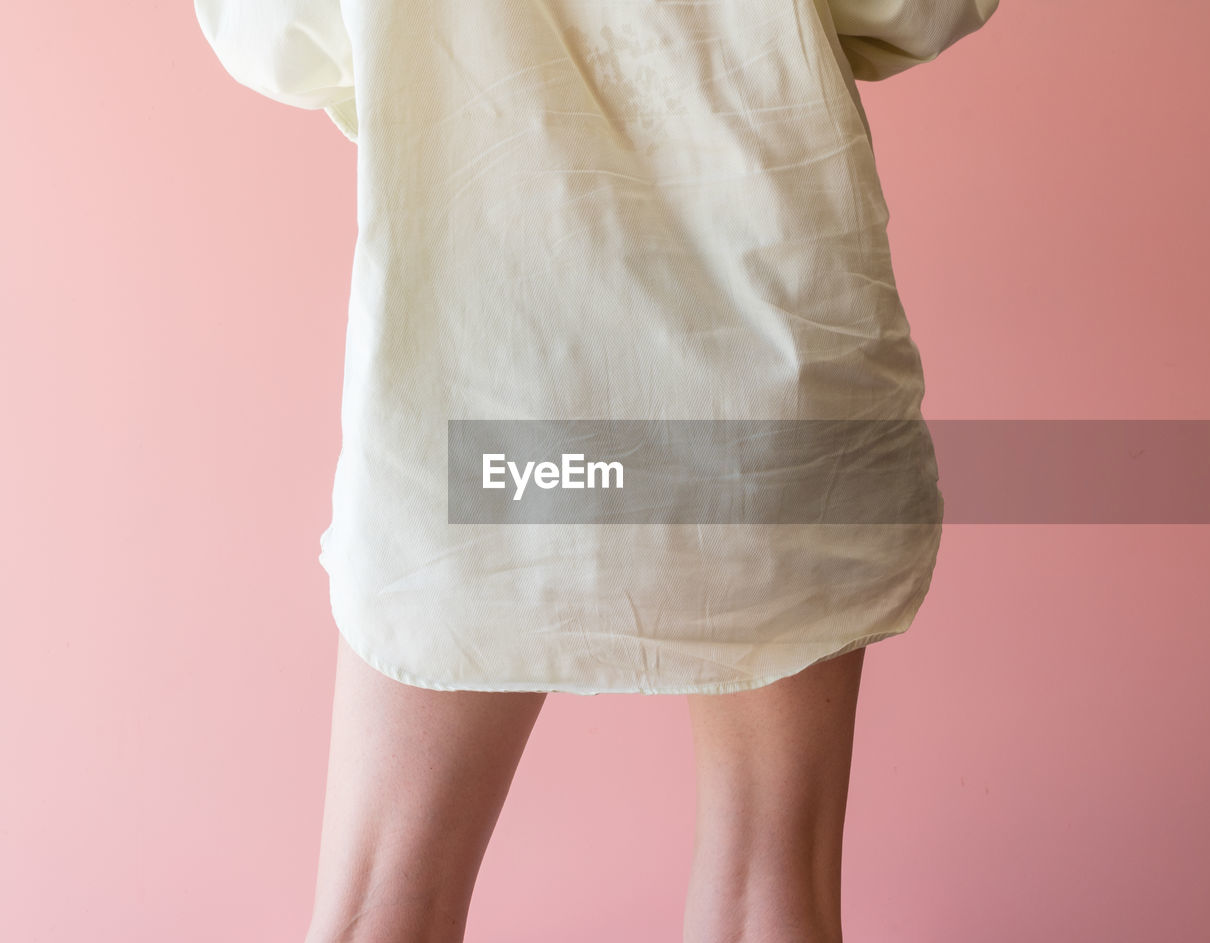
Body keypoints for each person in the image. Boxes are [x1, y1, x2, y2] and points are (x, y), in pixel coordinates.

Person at [195, 1, 1000, 940]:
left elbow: (277, 39)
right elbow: (915, 8)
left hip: (489, 405)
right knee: (764, 886)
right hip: (765, 395)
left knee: (387, 903)